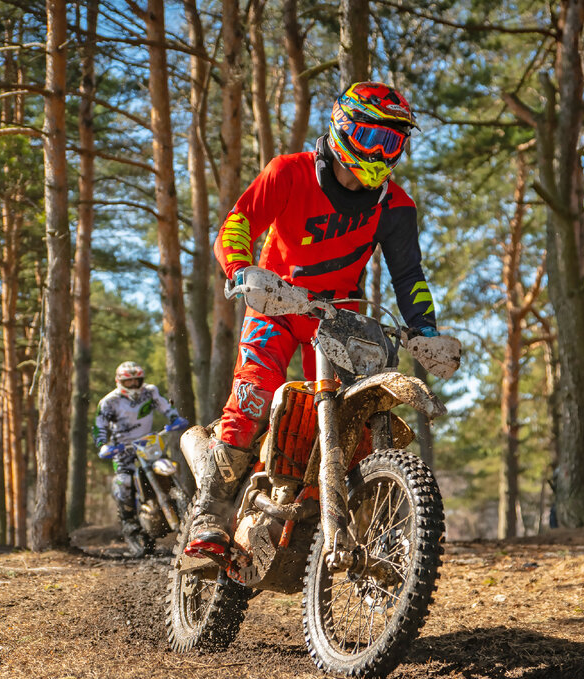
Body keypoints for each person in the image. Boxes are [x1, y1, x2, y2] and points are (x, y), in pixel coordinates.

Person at [186, 81, 441, 559]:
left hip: (338, 319)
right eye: (373, 138)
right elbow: (238, 221)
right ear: (344, 129)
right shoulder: (289, 172)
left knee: (358, 422)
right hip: (278, 306)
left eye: (394, 142)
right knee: (253, 394)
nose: (382, 153)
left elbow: (408, 274)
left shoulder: (395, 205)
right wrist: (242, 270)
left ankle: (367, 533)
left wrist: (426, 329)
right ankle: (208, 517)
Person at [94, 362, 187, 538]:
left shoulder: (150, 392)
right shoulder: (109, 402)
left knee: (166, 470)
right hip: (122, 449)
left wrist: (174, 418)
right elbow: (99, 425)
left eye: (137, 381)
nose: (134, 385)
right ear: (119, 381)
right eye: (129, 382)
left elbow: (164, 406)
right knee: (125, 482)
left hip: (148, 443)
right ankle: (128, 521)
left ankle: (180, 505)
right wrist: (103, 445)